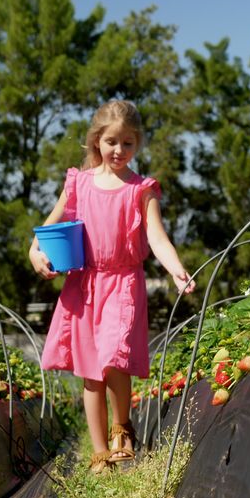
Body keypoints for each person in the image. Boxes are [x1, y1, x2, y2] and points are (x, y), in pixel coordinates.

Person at [28, 100, 196, 474]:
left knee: (114, 360)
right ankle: (100, 453)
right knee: (92, 372)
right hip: (84, 285)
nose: (119, 151)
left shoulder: (141, 189)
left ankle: (123, 430)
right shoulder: (79, 184)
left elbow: (157, 238)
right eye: (111, 142)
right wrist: (34, 252)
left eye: (128, 143)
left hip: (122, 282)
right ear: (96, 141)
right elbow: (47, 229)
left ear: (138, 144)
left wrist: (176, 270)